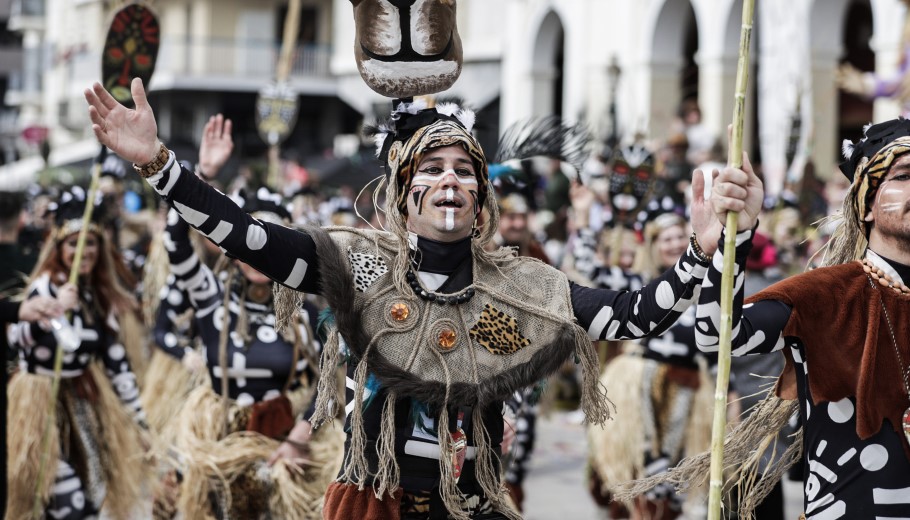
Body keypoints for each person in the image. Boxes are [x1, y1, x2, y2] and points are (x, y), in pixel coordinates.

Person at [85, 78, 759, 519]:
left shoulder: (515, 287)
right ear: (405, 194)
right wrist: (160, 167)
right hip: (372, 501)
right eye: (431, 169)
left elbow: (633, 314)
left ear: (479, 197)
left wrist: (702, 251)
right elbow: (250, 236)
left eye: (464, 170)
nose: (449, 180)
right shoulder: (362, 265)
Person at [625, 118, 909, 518]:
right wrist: (734, 236)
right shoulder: (825, 294)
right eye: (905, 175)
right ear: (866, 202)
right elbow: (719, 335)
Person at [6, 186, 147, 520]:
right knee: (65, 503)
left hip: (84, 404)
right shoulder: (44, 287)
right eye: (73, 243)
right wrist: (53, 313)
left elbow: (117, 364)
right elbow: (17, 339)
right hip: (41, 406)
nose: (83, 251)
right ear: (59, 246)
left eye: (92, 243)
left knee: (92, 496)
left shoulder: (98, 297)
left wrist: (141, 424)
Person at [587, 212, 715, 520]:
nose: (673, 244)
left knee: (670, 483)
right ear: (653, 245)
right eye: (665, 238)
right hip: (637, 391)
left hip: (686, 391)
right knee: (633, 474)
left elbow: (715, 347)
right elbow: (593, 272)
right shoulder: (636, 282)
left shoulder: (707, 289)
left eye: (679, 237)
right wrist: (584, 217)